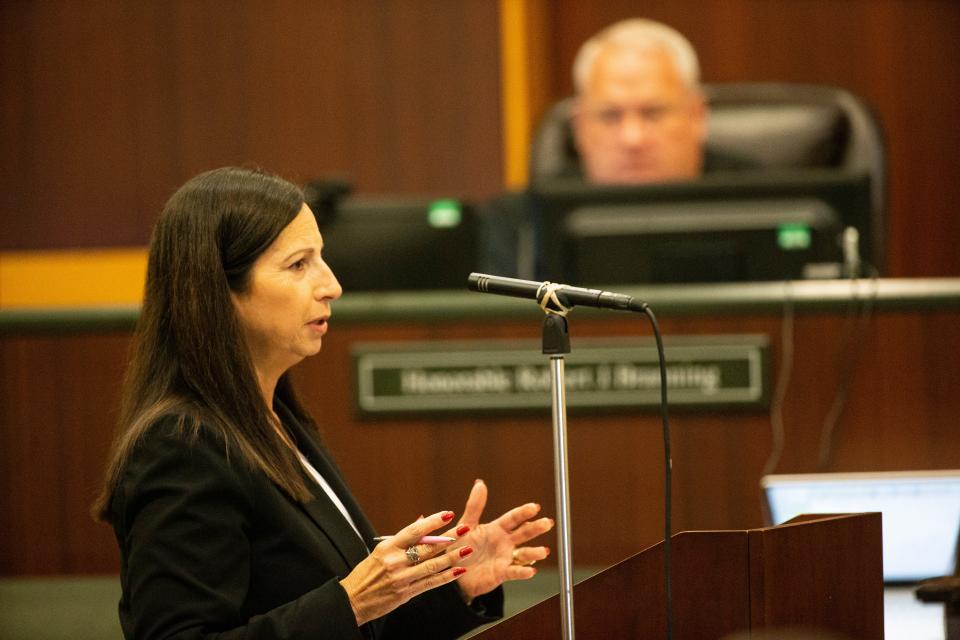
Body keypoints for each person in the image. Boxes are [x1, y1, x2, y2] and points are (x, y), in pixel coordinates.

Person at [93, 167, 554, 639]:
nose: (331, 285)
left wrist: (450, 585)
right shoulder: (181, 447)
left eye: (322, 258)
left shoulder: (279, 422)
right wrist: (351, 601)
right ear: (219, 290)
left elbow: (358, 625)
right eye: (298, 264)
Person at [480, 18, 752, 277]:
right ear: (578, 127)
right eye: (610, 115)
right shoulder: (519, 224)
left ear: (697, 116)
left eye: (653, 113)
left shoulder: (751, 198)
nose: (632, 139)